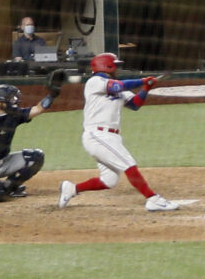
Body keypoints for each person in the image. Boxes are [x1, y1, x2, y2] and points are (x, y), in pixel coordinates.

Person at [57, 52, 185, 212]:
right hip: (97, 135)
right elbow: (117, 86)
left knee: (109, 180)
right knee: (128, 164)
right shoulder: (95, 82)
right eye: (115, 65)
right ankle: (152, 199)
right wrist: (142, 81)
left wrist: (146, 88)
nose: (117, 68)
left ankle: (72, 189)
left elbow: (135, 104)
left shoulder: (117, 86)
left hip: (111, 137)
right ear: (106, 66)